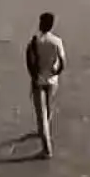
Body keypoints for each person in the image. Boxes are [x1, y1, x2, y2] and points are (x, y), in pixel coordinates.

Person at [25, 12, 67, 158]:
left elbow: (29, 61)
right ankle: (44, 131)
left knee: (40, 115)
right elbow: (62, 62)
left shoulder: (35, 41)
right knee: (48, 108)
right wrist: (56, 73)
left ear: (41, 24)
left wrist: (34, 76)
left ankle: (46, 149)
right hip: (52, 80)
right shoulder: (57, 41)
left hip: (38, 80)